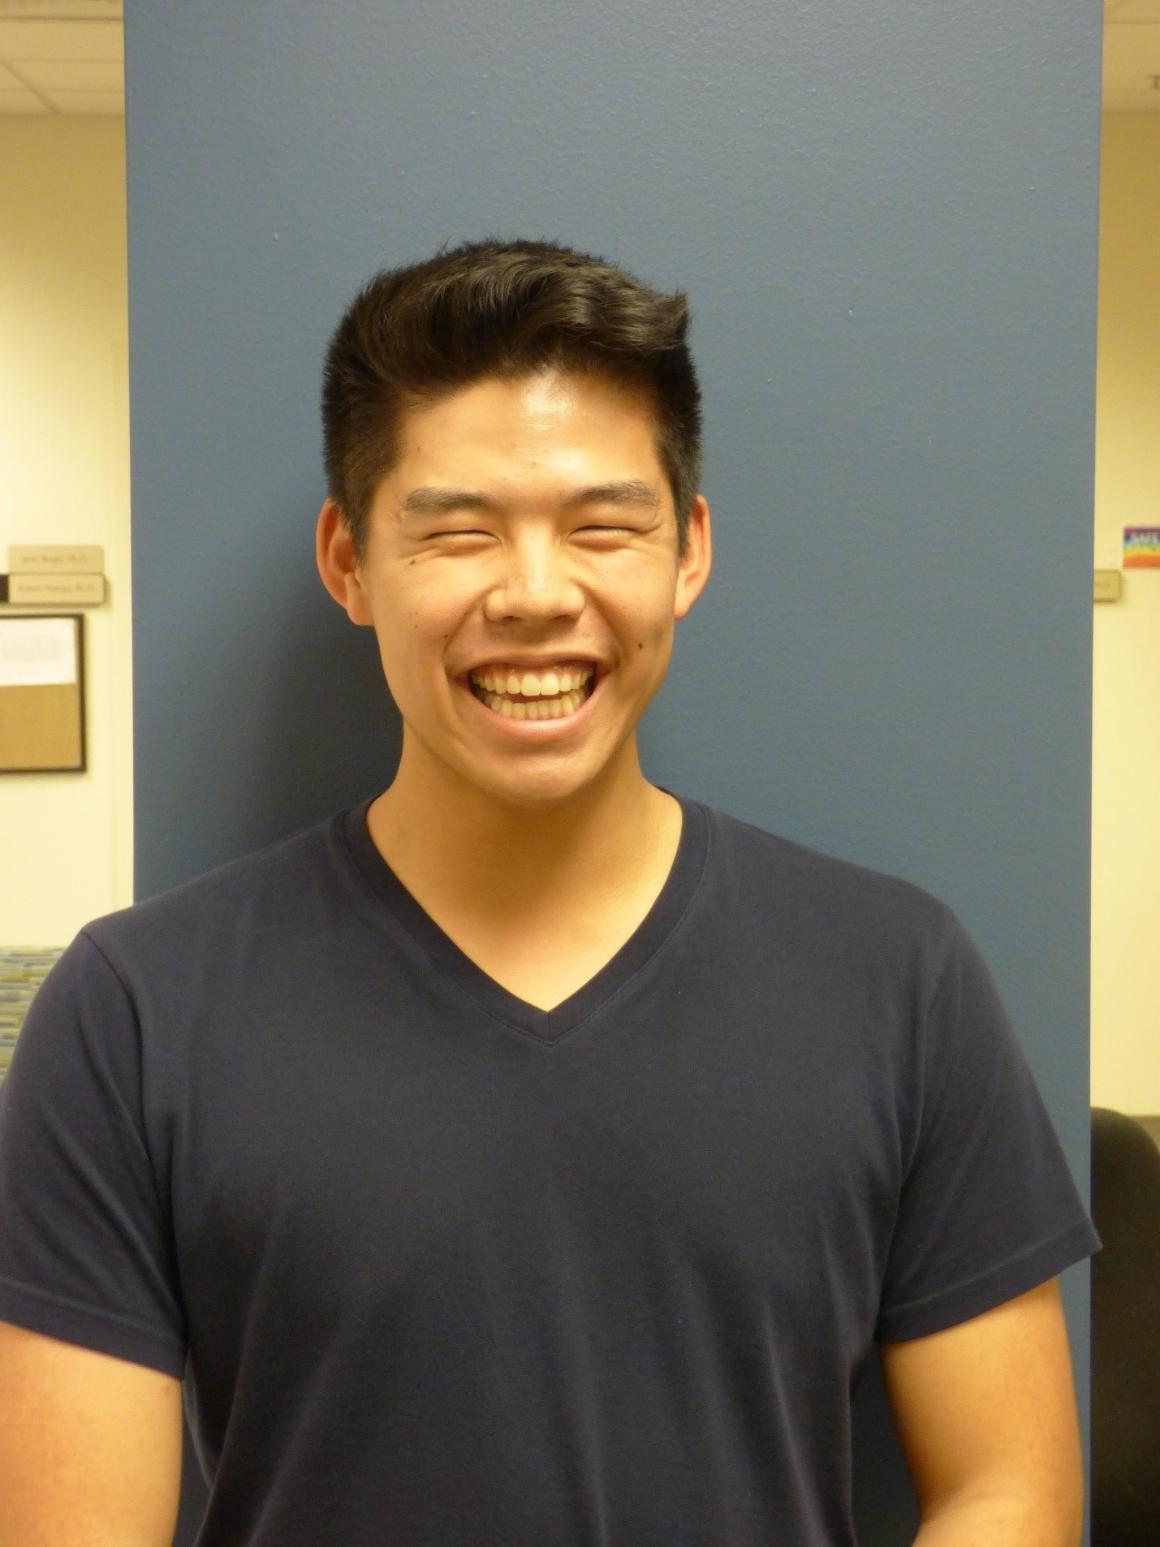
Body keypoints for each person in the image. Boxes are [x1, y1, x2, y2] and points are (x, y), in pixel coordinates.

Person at [0, 238, 1098, 1546]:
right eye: (458, 533)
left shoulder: (898, 977)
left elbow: (1008, 1488)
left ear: (687, 553)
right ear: (349, 562)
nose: (533, 595)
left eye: (602, 528)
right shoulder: (132, 1011)